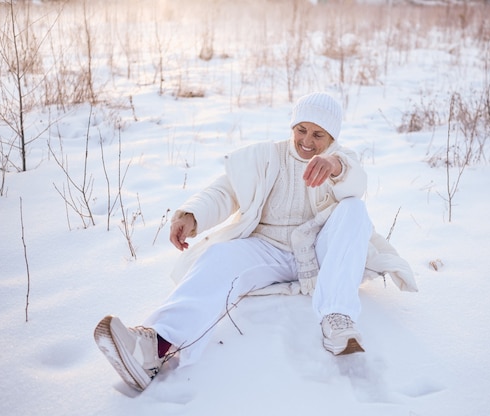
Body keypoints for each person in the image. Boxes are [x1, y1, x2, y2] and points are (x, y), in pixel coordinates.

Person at [94, 92, 417, 392]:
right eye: (301, 129)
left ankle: (338, 318)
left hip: (320, 250)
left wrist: (335, 165)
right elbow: (225, 190)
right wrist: (191, 216)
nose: (306, 141)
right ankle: (155, 346)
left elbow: (355, 183)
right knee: (219, 257)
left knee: (353, 209)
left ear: (332, 138)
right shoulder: (265, 157)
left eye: (318, 135)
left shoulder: (341, 161)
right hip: (267, 248)